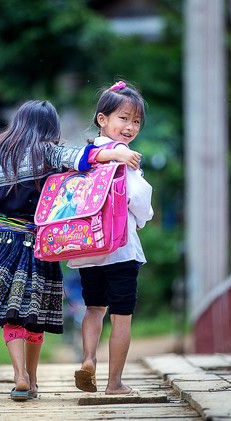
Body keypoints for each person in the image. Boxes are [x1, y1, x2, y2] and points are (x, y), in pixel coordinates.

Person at [0, 100, 141, 401]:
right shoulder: (47, 152)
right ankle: (33, 378)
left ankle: (20, 376)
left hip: (1, 243)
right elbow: (85, 157)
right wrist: (117, 152)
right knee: (34, 315)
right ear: (49, 128)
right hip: (39, 245)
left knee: (11, 316)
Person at [68, 81, 154, 395]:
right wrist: (144, 219)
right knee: (121, 317)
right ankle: (114, 383)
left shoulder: (86, 156)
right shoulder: (125, 157)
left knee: (93, 309)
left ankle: (89, 358)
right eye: (124, 118)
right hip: (120, 250)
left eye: (135, 121)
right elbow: (138, 198)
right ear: (102, 119)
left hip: (88, 249)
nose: (130, 126)